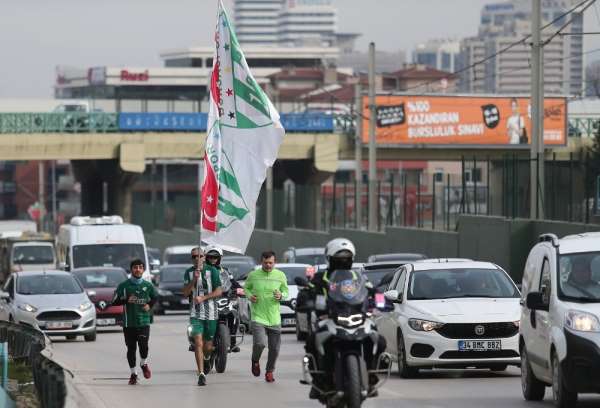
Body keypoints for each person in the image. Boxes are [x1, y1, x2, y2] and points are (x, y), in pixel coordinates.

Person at [305, 238, 387, 399]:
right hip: (329, 317)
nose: (343, 262)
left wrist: (381, 300)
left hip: (357, 316)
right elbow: (308, 291)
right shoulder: (321, 278)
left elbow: (372, 290)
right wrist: (305, 300)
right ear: (330, 259)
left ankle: (371, 375)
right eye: (339, 259)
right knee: (311, 341)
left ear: (352, 259)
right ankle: (319, 379)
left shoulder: (358, 277)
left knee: (379, 340)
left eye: (347, 258)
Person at [243, 250, 288, 383]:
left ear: (275, 262)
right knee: (260, 343)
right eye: (265, 262)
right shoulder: (253, 275)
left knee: (274, 348)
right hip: (258, 316)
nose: (268, 265)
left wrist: (282, 295)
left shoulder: (280, 275)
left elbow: (285, 291)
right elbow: (246, 288)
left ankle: (269, 371)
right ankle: (255, 360)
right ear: (261, 262)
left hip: (274, 318)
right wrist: (250, 296)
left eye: (271, 263)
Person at [111, 259, 157, 385]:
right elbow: (113, 302)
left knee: (144, 346)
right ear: (131, 269)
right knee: (131, 349)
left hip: (143, 322)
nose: (138, 269)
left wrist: (149, 305)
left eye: (140, 267)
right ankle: (133, 374)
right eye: (135, 267)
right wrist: (126, 300)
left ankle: (143, 363)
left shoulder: (148, 285)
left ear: (143, 269)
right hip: (128, 323)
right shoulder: (124, 286)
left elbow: (155, 297)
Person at [183, 246, 222, 386]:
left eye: (199, 256)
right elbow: (186, 293)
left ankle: (207, 358)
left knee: (207, 345)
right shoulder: (188, 272)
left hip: (211, 313)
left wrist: (204, 298)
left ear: (204, 257)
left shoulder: (213, 271)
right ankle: (201, 374)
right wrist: (194, 280)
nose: (197, 259)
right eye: (194, 256)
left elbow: (219, 291)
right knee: (198, 342)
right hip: (195, 313)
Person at [204, 245, 243, 353]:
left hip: (223, 299)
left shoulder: (225, 270)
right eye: (210, 257)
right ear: (206, 257)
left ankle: (233, 341)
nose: (213, 259)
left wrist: (240, 289)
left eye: (215, 257)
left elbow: (233, 282)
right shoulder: (202, 270)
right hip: (207, 300)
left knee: (233, 314)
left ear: (219, 258)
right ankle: (197, 340)